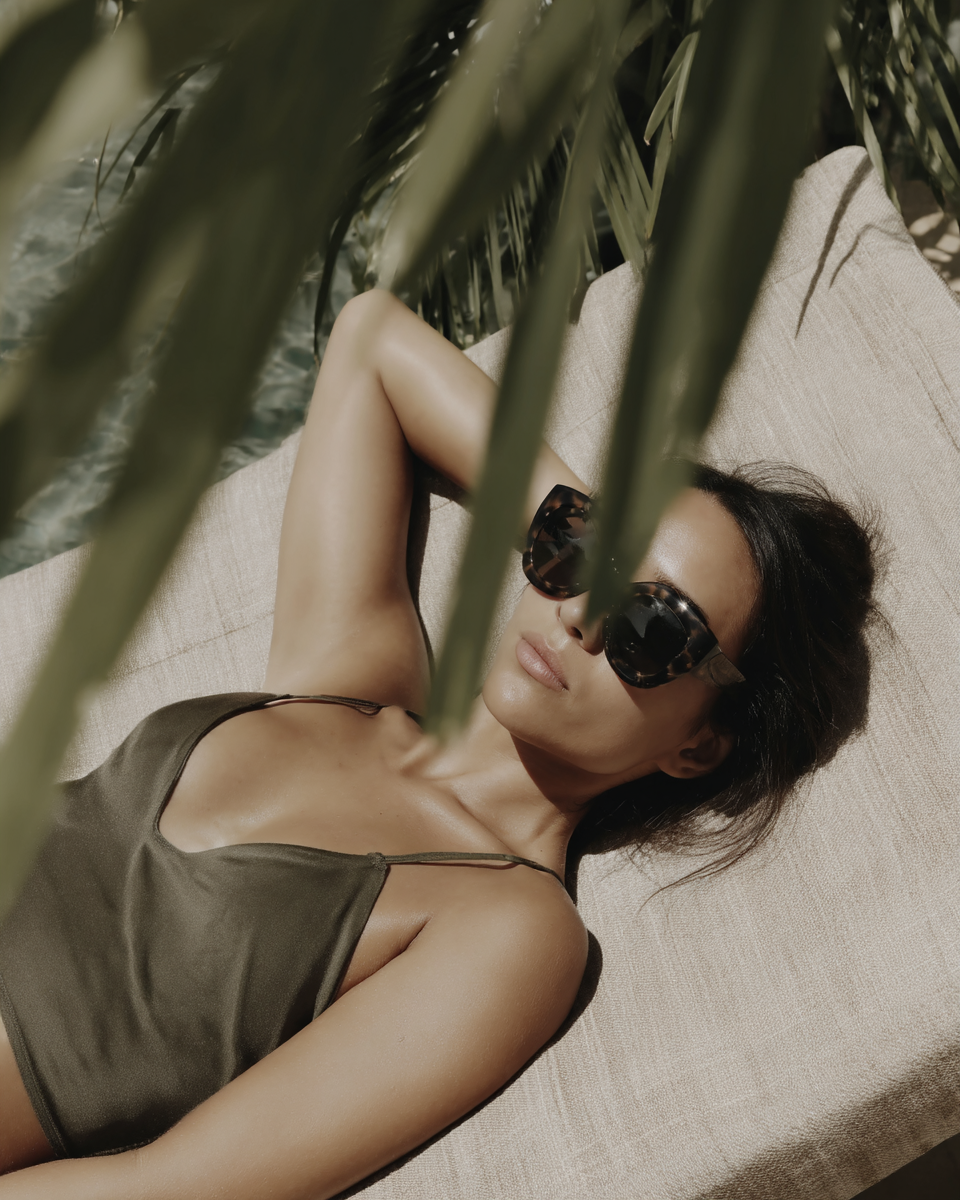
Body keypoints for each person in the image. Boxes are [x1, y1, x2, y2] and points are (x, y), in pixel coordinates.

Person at [0, 289, 878, 1197]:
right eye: (578, 552)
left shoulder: (509, 930)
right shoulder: (350, 678)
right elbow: (373, 340)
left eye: (654, 629)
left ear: (696, 749)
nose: (578, 614)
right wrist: (572, 524)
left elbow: (170, 1190)